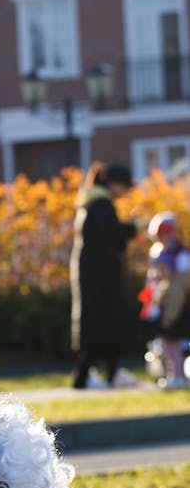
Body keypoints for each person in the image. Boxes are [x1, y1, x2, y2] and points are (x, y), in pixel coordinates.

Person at [69, 161, 139, 389]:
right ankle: (88, 375)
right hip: (99, 273)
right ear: (113, 184)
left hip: (94, 271)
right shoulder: (100, 204)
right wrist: (132, 228)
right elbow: (112, 232)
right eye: (125, 186)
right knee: (101, 318)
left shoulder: (91, 202)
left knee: (103, 319)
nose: (126, 191)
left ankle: (109, 372)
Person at [139, 211, 190, 389]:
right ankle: (173, 375)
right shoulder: (158, 253)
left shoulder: (180, 255)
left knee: (174, 344)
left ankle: (178, 376)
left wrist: (169, 313)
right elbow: (153, 283)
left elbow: (181, 285)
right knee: (165, 345)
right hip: (161, 305)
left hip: (175, 307)